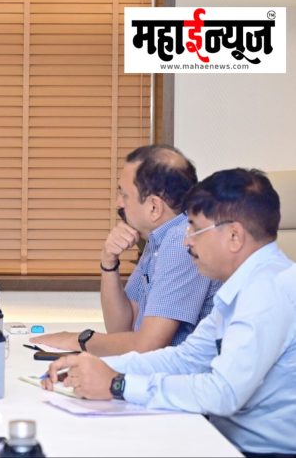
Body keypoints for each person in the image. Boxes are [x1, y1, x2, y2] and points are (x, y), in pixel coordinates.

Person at [42, 168, 296, 456]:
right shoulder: (243, 287)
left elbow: (222, 393)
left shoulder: (268, 292)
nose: (187, 240)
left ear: (234, 236)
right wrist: (96, 367)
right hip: (221, 440)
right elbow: (186, 359)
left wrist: (117, 384)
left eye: (195, 229)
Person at [31, 145, 220, 355]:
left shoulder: (180, 242)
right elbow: (121, 328)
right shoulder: (158, 239)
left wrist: (79, 340)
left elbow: (149, 345)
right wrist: (108, 262)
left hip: (178, 372)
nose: (118, 203)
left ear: (154, 207)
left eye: (124, 194)